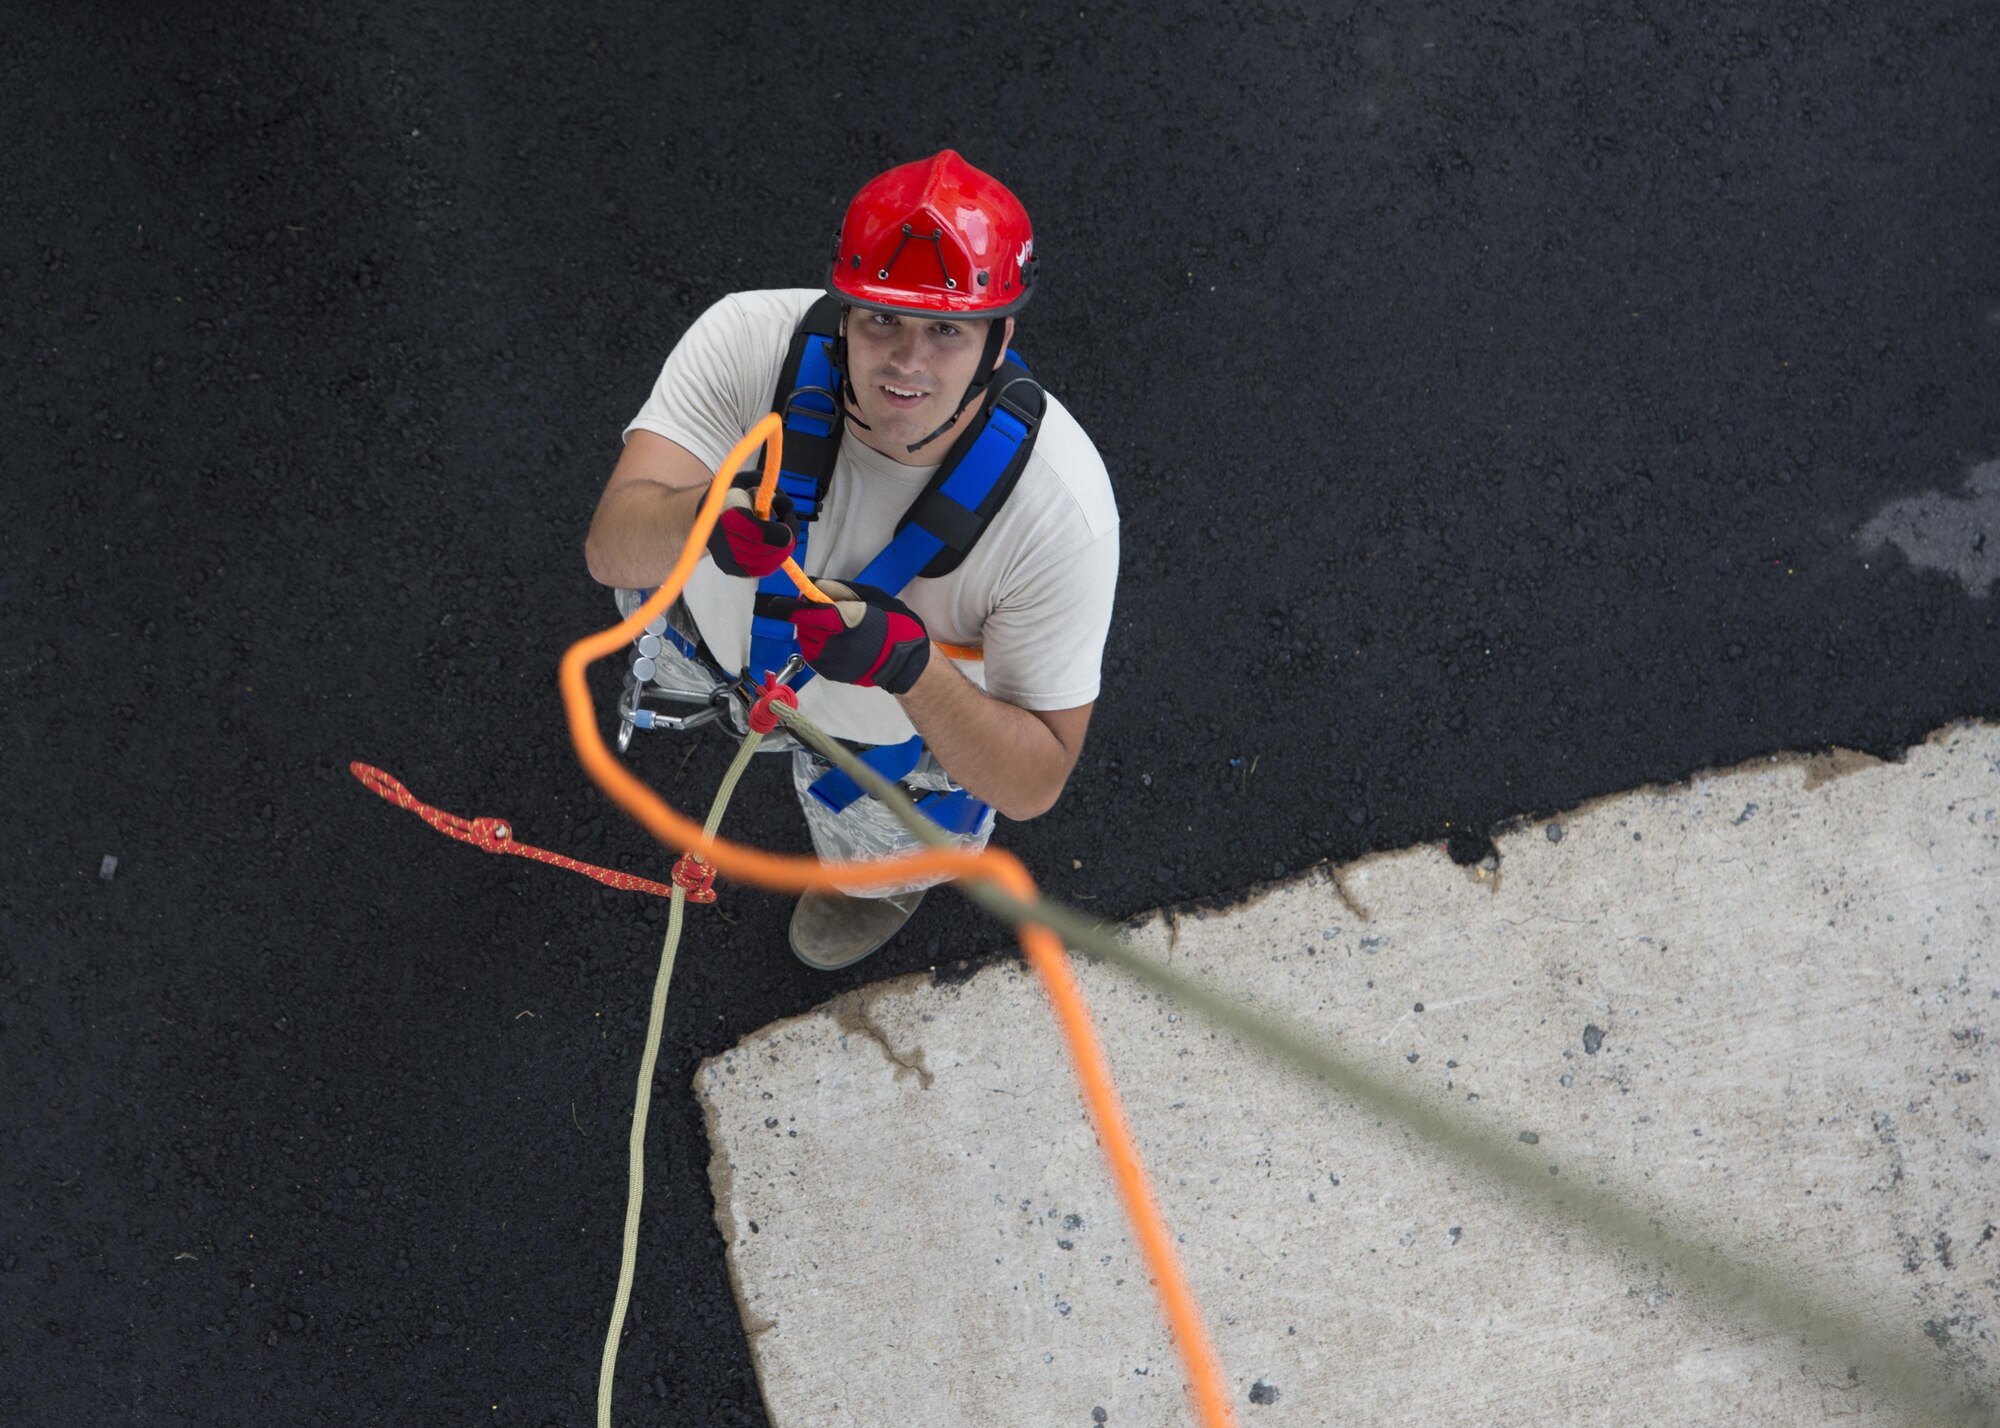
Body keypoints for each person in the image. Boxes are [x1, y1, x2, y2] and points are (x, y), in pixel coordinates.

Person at [584, 150, 1118, 971]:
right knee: (649, 612)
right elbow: (612, 548)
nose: (907, 362)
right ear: (843, 310)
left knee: (883, 849)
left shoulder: (1059, 515)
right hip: (716, 648)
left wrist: (916, 670)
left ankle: (878, 881)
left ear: (1000, 337)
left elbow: (1033, 780)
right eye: (880, 320)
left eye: (946, 330)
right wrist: (702, 518)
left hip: (893, 740)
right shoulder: (747, 344)